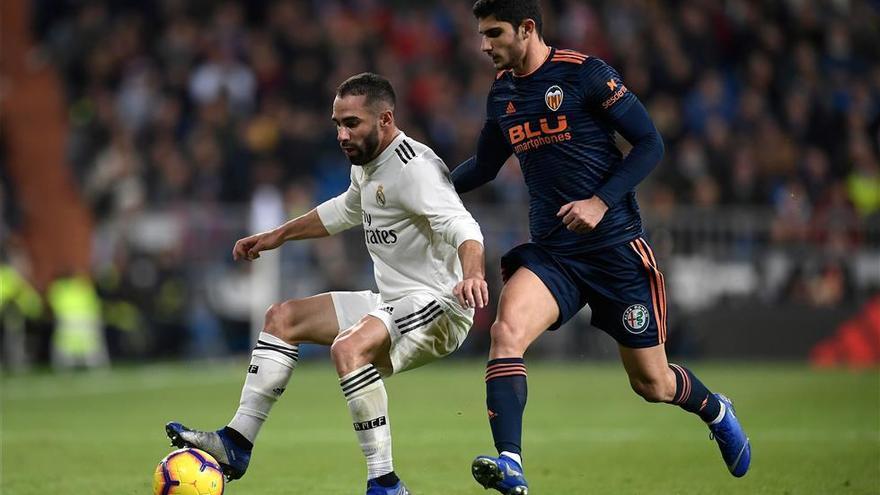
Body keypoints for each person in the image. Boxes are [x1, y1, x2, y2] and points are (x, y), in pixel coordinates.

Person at [450, 1, 751, 493]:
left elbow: (650, 143)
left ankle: (716, 408)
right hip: (555, 256)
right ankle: (511, 465)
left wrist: (600, 201)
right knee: (506, 332)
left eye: (494, 33)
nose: (485, 45)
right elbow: (483, 167)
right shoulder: (502, 93)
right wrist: (422, 188)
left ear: (527, 28)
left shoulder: (585, 74)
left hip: (616, 251)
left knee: (652, 384)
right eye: (481, 34)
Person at [166, 72, 488, 495]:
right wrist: (277, 234)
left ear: (385, 119)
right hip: (393, 301)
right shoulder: (369, 166)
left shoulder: (417, 169)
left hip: (439, 306)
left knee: (348, 348)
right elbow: (343, 211)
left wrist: (474, 274)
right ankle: (235, 443)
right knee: (283, 318)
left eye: (351, 123)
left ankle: (385, 482)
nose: (341, 133)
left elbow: (464, 226)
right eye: (337, 123)